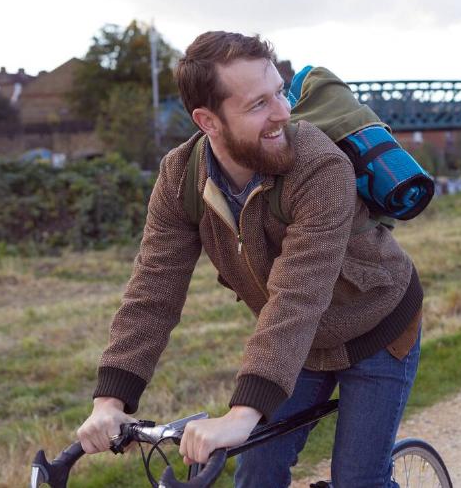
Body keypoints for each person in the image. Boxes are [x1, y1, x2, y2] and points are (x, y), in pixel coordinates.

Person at [76, 31, 423, 488]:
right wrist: (110, 399)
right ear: (208, 121)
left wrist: (242, 413)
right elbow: (152, 292)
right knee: (255, 473)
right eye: (258, 104)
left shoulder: (320, 166)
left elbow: (296, 298)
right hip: (300, 349)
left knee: (359, 479)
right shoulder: (181, 177)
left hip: (376, 328)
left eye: (279, 92)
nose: (283, 113)